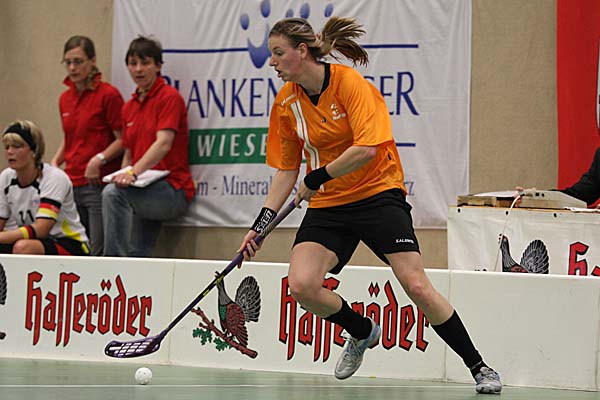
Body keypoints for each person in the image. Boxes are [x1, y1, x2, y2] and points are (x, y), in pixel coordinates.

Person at [237, 17, 502, 394]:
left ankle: (479, 366)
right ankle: (362, 331)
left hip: (378, 194)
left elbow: (366, 149)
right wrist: (260, 226)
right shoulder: (286, 103)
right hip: (330, 205)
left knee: (417, 285)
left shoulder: (350, 85)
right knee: (302, 285)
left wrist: (316, 177)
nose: (272, 61)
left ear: (302, 51)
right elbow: (286, 170)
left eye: (279, 53)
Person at [102, 36, 195, 257]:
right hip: (142, 187)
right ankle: (126, 272)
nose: (138, 69)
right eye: (133, 63)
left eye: (145, 63)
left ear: (158, 65)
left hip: (172, 189)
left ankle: (111, 264)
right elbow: (129, 153)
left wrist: (132, 174)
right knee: (137, 253)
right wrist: (123, 175)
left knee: (113, 195)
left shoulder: (169, 98)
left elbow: (163, 143)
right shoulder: (129, 107)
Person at [51, 35, 124, 256]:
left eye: (78, 61)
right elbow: (71, 136)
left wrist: (99, 159)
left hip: (96, 182)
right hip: (71, 183)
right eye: (68, 62)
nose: (73, 68)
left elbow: (123, 139)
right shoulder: (65, 98)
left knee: (97, 250)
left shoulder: (108, 95)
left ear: (92, 61)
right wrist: (56, 162)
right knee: (76, 248)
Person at [0, 120, 90, 255]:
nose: (10, 152)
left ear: (34, 150)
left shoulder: (54, 178)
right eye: (7, 147)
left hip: (70, 243)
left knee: (23, 247)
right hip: (34, 240)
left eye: (17, 146)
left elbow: (42, 229)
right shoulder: (6, 177)